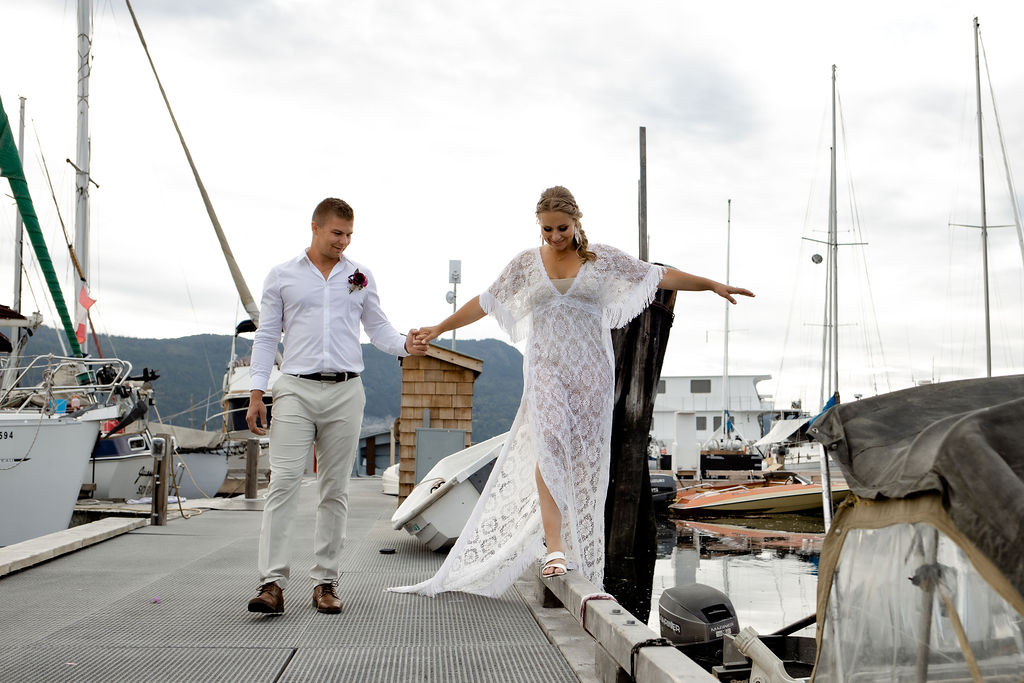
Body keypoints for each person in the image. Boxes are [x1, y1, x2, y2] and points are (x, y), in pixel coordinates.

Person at [391, 186, 753, 597]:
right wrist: (440, 327)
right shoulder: (527, 263)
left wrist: (711, 285)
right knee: (549, 445)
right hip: (545, 367)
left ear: (577, 222)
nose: (554, 236)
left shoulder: (602, 259)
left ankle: (580, 545)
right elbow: (486, 300)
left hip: (591, 373)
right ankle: (555, 547)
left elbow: (659, 275)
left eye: (562, 228)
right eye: (546, 229)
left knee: (583, 459)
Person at [245, 197, 428, 615]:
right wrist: (258, 391)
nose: (343, 242)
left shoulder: (359, 277)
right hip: (294, 387)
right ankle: (271, 582)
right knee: (284, 482)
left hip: (346, 390)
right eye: (336, 233)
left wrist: (405, 344)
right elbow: (266, 335)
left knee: (335, 489)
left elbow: (378, 328)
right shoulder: (282, 276)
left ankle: (325, 581)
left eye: (348, 235)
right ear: (315, 227)